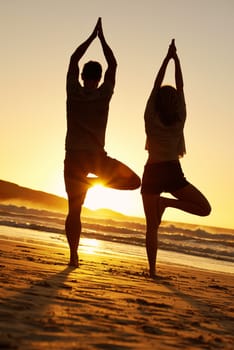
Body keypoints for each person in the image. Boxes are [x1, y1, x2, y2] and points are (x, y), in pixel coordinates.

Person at [64, 18, 141, 267]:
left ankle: (73, 254)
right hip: (95, 156)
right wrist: (102, 38)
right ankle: (95, 183)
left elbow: (74, 59)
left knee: (74, 211)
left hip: (74, 156)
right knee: (134, 182)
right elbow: (114, 64)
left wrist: (90, 38)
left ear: (84, 76)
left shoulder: (73, 91)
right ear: (97, 78)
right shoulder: (103, 94)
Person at [141, 39, 211, 278]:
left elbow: (155, 85)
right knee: (204, 208)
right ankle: (168, 204)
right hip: (172, 171)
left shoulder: (150, 117)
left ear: (157, 101)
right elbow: (181, 88)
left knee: (152, 227)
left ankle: (152, 271)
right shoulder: (180, 118)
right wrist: (176, 59)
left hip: (152, 171)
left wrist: (166, 60)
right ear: (174, 103)